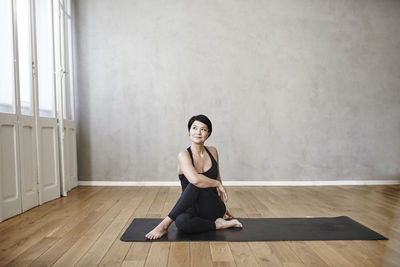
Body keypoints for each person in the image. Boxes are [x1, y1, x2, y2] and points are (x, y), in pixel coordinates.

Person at [145, 114, 243, 240]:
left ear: (208, 133)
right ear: (189, 131)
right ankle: (217, 225)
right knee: (181, 222)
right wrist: (217, 184)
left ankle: (164, 225)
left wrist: (222, 208)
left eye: (203, 129)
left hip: (212, 206)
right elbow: (196, 180)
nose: (198, 132)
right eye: (194, 128)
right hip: (191, 207)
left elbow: (218, 178)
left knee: (196, 182)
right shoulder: (183, 155)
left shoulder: (213, 151)